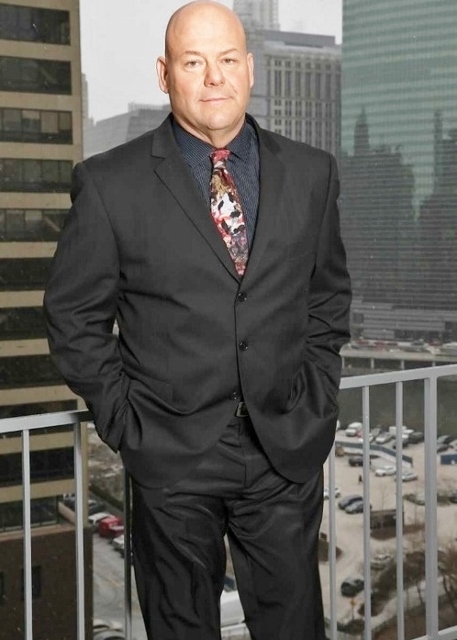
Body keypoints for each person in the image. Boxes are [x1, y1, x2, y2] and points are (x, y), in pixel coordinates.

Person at [44, 2, 351, 638]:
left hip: (283, 449)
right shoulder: (109, 184)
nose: (214, 77)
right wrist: (128, 423)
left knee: (296, 627)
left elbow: (326, 300)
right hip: (170, 458)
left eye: (227, 59)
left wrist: (316, 398)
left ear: (250, 68)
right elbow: (73, 318)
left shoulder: (311, 173)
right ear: (165, 74)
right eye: (193, 62)